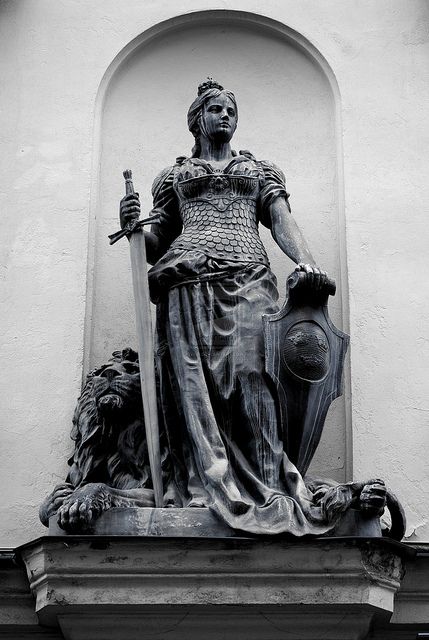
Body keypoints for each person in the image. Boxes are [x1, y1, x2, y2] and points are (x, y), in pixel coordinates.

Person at [119, 80, 377, 535]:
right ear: (197, 118)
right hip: (188, 279)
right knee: (193, 388)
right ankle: (203, 484)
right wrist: (134, 227)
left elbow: (280, 220)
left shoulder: (258, 170)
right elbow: (154, 244)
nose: (225, 116)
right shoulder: (172, 176)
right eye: (216, 109)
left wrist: (307, 262)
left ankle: (267, 483)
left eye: (231, 110)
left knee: (252, 376)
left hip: (248, 278)